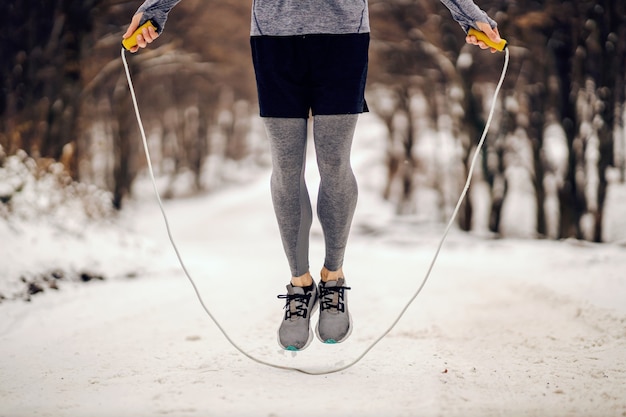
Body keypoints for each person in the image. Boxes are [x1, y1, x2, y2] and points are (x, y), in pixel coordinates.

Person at [123, 0, 501, 351]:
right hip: (273, 39)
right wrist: (156, 8)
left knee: (334, 163)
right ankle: (300, 284)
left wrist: (468, 14)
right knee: (286, 169)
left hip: (343, 38)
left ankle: (333, 277)